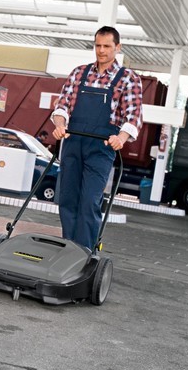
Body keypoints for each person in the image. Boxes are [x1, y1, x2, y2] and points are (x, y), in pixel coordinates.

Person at [51, 26, 143, 251]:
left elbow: (133, 116)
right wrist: (60, 125)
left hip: (101, 147)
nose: (101, 51)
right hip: (73, 142)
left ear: (117, 47)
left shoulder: (128, 78)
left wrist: (121, 137)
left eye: (107, 46)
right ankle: (68, 249)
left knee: (89, 200)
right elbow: (62, 105)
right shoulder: (79, 73)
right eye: (98, 45)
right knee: (67, 199)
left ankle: (84, 252)